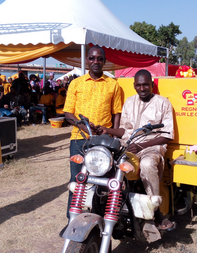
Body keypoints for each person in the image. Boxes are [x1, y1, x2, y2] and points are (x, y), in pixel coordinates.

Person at [98, 69, 175, 238]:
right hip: (129, 146)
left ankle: (155, 212)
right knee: (106, 163)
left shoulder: (163, 103)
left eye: (146, 84)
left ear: (152, 85)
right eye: (139, 85)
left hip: (152, 148)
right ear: (134, 86)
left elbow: (167, 135)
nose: (142, 88)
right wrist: (107, 130)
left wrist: (142, 146)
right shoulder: (129, 102)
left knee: (147, 165)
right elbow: (125, 130)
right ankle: (110, 208)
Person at [63, 45, 123, 220]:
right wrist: (84, 127)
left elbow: (116, 112)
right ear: (87, 60)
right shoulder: (76, 83)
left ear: (104, 61)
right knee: (77, 180)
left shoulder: (113, 85)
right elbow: (68, 113)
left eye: (99, 58)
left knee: (102, 183)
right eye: (92, 58)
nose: (95, 61)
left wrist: (114, 136)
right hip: (79, 140)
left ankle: (98, 220)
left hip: (104, 142)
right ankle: (72, 221)